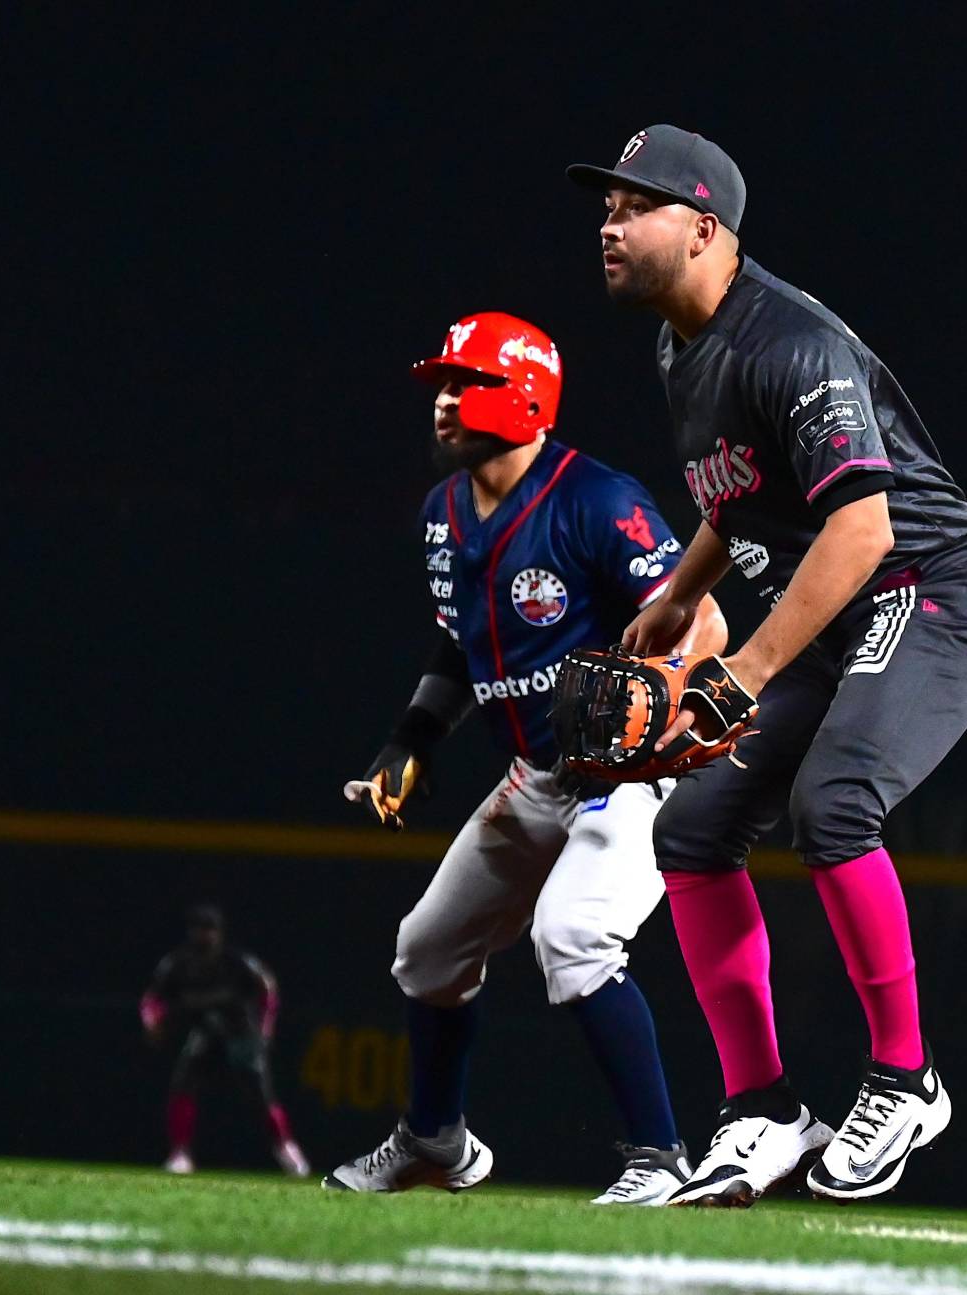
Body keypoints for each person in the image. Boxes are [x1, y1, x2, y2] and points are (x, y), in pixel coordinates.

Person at [565, 125, 967, 1205]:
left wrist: (740, 671)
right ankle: (762, 1109)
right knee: (692, 830)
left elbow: (860, 531)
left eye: (634, 206)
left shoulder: (789, 342)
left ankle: (905, 1078)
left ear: (705, 226)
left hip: (932, 591)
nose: (609, 222)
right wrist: (680, 587)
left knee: (834, 804)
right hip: (836, 614)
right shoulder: (682, 342)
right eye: (606, 205)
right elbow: (744, 492)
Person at [320, 312, 727, 1205]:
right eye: (443, 384)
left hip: (629, 778)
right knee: (424, 951)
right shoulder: (442, 514)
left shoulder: (595, 500)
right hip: (536, 775)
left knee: (574, 938)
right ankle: (435, 1138)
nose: (445, 400)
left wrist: (664, 696)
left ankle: (661, 1158)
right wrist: (409, 744)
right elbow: (461, 651)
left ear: (528, 397)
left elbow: (704, 619)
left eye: (467, 383)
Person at [141, 904, 310, 1176]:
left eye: (209, 930)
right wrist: (152, 1021)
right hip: (207, 1032)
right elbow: (153, 999)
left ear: (219, 934)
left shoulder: (235, 962)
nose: (204, 936)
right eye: (199, 930)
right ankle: (180, 1154)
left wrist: (266, 1027)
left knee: (259, 1095)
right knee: (184, 1083)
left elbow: (267, 987)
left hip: (241, 1032)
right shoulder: (178, 965)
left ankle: (286, 1148)